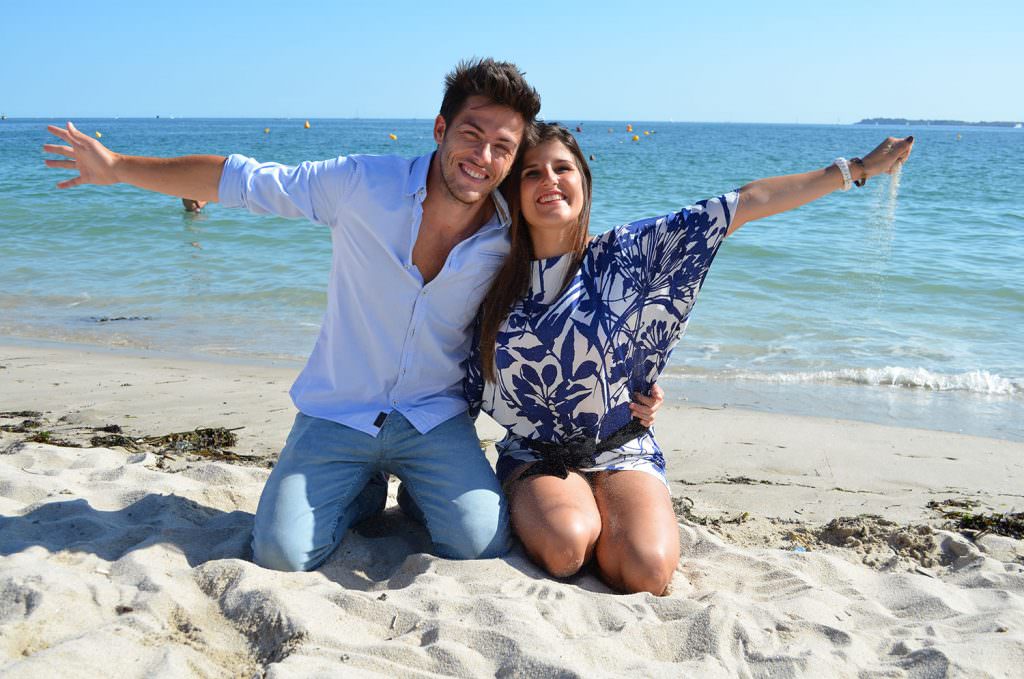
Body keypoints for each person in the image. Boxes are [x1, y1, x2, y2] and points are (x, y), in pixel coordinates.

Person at [43, 59, 567, 572]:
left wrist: (634, 385)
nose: (483, 156)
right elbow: (239, 180)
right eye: (472, 135)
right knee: (280, 555)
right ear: (440, 128)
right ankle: (361, 494)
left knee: (478, 544)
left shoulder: (510, 232)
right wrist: (116, 167)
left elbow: (574, 293)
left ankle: (417, 492)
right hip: (338, 411)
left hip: (434, 418)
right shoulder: (361, 184)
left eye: (503, 147)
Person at [466, 123, 914, 595]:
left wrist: (858, 169)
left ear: (584, 181)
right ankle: (573, 513)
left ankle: (609, 515)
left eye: (563, 167)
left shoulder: (630, 254)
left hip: (622, 446)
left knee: (648, 572)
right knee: (565, 548)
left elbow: (742, 204)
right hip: (540, 454)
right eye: (532, 173)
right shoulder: (488, 277)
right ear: (512, 191)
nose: (550, 180)